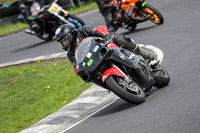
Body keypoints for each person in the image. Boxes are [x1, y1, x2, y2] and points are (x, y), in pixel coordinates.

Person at [55, 24, 155, 75]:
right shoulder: (71, 54)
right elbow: (76, 68)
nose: (64, 44)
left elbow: (99, 30)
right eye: (62, 42)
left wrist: (106, 37)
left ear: (71, 35)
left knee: (121, 39)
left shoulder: (84, 30)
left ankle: (143, 54)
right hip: (95, 59)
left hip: (105, 45)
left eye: (65, 40)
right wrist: (80, 71)